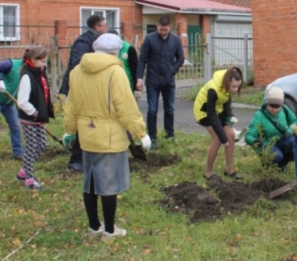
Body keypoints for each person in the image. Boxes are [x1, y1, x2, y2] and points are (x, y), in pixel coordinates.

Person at [62, 34, 151, 242]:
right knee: (109, 185)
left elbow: (71, 105)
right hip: (110, 137)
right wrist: (141, 133)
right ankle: (110, 231)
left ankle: (94, 227)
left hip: (87, 135)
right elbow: (126, 107)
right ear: (116, 52)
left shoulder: (77, 71)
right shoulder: (115, 72)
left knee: (90, 182)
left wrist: (70, 130)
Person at [60, 14, 108, 172]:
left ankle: (90, 156)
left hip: (91, 88)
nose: (106, 28)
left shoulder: (97, 41)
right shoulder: (83, 41)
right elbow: (77, 65)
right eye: (104, 25)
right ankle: (75, 160)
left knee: (91, 122)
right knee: (81, 122)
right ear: (97, 27)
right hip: (78, 88)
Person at [136, 16, 185, 149]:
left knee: (169, 109)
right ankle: (153, 138)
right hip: (152, 80)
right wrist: (139, 78)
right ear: (157, 26)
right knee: (152, 110)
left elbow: (181, 58)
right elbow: (142, 59)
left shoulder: (175, 40)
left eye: (165, 29)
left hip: (169, 81)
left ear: (170, 27)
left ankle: (170, 135)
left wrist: (172, 70)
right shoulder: (149, 39)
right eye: (161, 29)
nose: (163, 32)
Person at [15, 46, 55, 191]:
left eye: (45, 62)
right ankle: (29, 179)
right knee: (32, 147)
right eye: (42, 62)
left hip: (38, 117)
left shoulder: (39, 72)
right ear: (32, 60)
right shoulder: (27, 76)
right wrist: (35, 112)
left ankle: (23, 172)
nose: (44, 65)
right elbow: (22, 101)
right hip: (29, 118)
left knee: (42, 144)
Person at [194, 66, 243, 180]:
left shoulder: (228, 87)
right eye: (234, 86)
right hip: (204, 111)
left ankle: (229, 170)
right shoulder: (213, 89)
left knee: (230, 134)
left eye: (238, 87)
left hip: (217, 108)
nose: (236, 90)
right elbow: (211, 115)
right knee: (218, 138)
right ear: (227, 82)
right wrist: (223, 138)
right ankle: (208, 173)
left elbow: (227, 107)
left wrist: (231, 117)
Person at [245, 86, 297, 171]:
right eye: (272, 106)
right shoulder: (259, 115)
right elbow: (249, 136)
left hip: (281, 140)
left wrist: (289, 130)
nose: (275, 110)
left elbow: (294, 121)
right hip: (267, 144)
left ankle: (282, 164)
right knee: (277, 156)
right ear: (267, 103)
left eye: (277, 107)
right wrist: (254, 141)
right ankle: (267, 163)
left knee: (295, 143)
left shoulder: (284, 109)